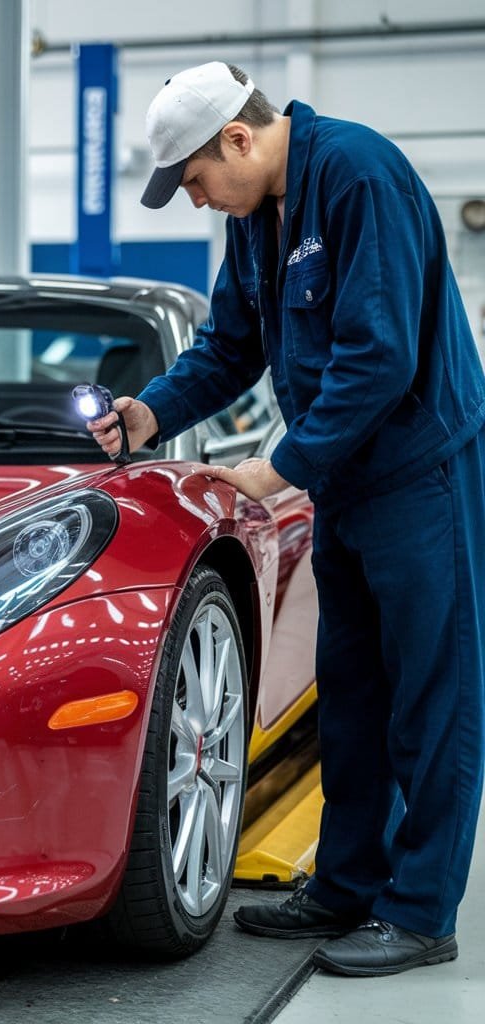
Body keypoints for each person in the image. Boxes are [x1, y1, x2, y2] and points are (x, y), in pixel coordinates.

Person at [88, 60, 485, 977]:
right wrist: (151, 412)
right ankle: (345, 886)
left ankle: (422, 913)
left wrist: (275, 470)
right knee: (351, 693)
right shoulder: (258, 219)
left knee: (431, 694)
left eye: (193, 180)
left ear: (237, 138)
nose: (196, 201)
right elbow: (231, 347)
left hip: (416, 474)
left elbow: (377, 358)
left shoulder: (358, 174)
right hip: (343, 482)